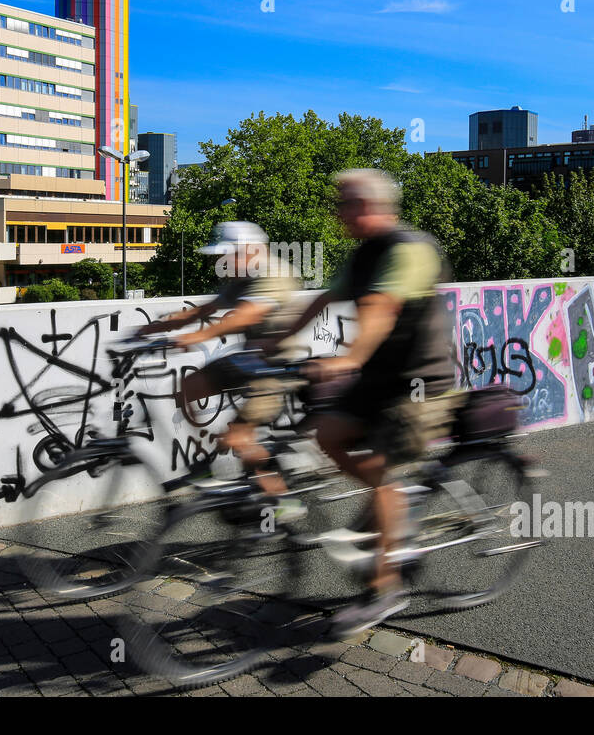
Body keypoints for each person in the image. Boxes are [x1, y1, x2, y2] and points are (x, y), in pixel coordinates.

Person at [262, 168, 460, 636]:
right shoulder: (362, 254)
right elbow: (326, 300)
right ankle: (392, 505)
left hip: (419, 384)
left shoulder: (410, 249)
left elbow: (381, 307)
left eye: (344, 202)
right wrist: (279, 340)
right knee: (327, 433)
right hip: (376, 380)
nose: (337, 210)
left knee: (380, 474)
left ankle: (385, 589)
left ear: (370, 206)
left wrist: (347, 358)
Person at [137, 221, 306, 523]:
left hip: (275, 369)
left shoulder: (274, 273)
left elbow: (244, 316)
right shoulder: (240, 276)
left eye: (230, 254)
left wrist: (195, 337)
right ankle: (208, 462)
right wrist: (153, 328)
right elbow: (204, 310)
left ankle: (284, 501)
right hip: (247, 361)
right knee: (189, 386)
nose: (222, 261)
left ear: (252, 251)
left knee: (237, 439)